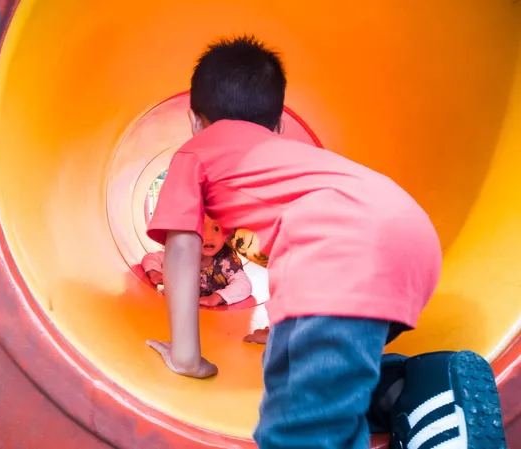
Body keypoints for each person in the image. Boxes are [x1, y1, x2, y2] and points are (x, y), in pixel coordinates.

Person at [145, 35, 506, 449]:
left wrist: (186, 357)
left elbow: (182, 246)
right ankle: (419, 394)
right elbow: (293, 243)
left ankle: (439, 426)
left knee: (300, 433)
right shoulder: (288, 162)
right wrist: (286, 330)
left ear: (194, 121)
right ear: (278, 125)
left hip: (342, 253)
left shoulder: (194, 154)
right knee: (310, 379)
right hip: (409, 234)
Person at [141, 215, 252, 307]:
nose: (209, 237)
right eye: (201, 228)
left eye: (217, 229)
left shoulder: (226, 261)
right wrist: (154, 272)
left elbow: (244, 285)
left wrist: (218, 297)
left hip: (214, 319)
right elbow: (151, 257)